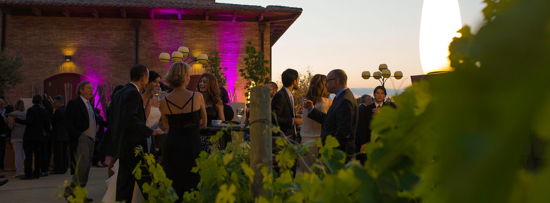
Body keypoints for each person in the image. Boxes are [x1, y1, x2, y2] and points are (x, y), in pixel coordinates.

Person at [108, 64, 163, 202]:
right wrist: (150, 131)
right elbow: (130, 118)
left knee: (124, 184)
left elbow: (115, 118)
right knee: (147, 182)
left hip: (122, 145)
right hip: (134, 146)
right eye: (148, 78)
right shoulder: (133, 93)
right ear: (143, 77)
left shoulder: (120, 92)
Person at [160, 62, 207, 199]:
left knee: (173, 186)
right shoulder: (197, 97)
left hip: (172, 145)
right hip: (192, 145)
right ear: (186, 77)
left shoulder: (164, 101)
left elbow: (167, 126)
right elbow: (204, 124)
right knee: (193, 185)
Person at [304, 69, 358, 162]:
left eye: (327, 81)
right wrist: (312, 109)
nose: (325, 84)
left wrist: (329, 149)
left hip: (337, 156)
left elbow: (343, 132)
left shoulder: (345, 100)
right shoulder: (341, 97)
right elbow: (329, 120)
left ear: (336, 81)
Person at [63, 81, 96, 202]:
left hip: (91, 139)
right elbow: (67, 122)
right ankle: (69, 192)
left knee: (86, 168)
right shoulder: (74, 103)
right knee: (82, 167)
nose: (91, 90)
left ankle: (79, 194)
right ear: (81, 90)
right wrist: (78, 136)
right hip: (82, 139)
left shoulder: (89, 104)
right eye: (88, 88)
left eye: (92, 88)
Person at [298, 74, 331, 173]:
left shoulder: (304, 101)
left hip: (305, 141)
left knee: (306, 173)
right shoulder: (328, 103)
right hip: (320, 141)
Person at [14, 95, 50, 180]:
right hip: (39, 136)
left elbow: (29, 122)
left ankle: (28, 173)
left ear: (32, 101)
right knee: (38, 155)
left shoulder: (31, 110)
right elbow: (47, 125)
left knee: (28, 156)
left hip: (30, 136)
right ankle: (37, 172)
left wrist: (17, 120)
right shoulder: (44, 112)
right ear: (41, 102)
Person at [358, 86, 396, 155]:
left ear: (384, 95)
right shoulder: (367, 109)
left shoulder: (389, 108)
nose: (379, 95)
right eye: (378, 93)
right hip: (371, 142)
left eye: (382, 93)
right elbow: (364, 127)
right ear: (374, 94)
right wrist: (363, 143)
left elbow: (392, 124)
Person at [272, 69, 302, 142]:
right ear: (294, 81)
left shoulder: (288, 94)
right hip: (283, 139)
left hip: (289, 138)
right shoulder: (280, 96)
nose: (298, 82)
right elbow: (275, 119)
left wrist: (295, 116)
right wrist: (293, 120)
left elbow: (284, 115)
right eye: (298, 80)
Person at [197, 73, 224, 153]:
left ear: (211, 84)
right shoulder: (195, 100)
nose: (201, 84)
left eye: (205, 82)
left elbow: (222, 121)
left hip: (212, 137)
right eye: (200, 81)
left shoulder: (217, 101)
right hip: (197, 136)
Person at [51, 95, 69, 174]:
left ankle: (59, 169)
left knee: (58, 153)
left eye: (55, 103)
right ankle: (64, 168)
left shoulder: (58, 111)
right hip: (65, 134)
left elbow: (53, 121)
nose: (54, 105)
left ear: (59, 102)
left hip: (58, 135)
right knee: (64, 152)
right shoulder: (66, 110)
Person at [7, 100, 26, 177]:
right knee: (24, 154)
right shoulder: (26, 114)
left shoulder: (12, 114)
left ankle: (18, 171)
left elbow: (11, 126)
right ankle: (25, 170)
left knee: (17, 154)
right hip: (24, 135)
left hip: (15, 135)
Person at [355, 94, 374, 163]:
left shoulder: (357, 109)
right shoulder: (367, 111)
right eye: (370, 100)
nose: (372, 102)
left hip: (356, 138)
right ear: (367, 100)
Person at [41, 98, 54, 176]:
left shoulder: (45, 112)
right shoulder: (50, 111)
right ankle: (48, 166)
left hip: (45, 133)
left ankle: (44, 168)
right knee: (48, 151)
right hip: (49, 134)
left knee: (44, 151)